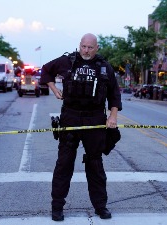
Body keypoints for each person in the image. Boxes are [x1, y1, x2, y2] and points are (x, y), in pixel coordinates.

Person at [40, 33, 122, 221]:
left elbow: (114, 94)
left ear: (96, 48)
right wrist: (54, 89)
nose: (86, 50)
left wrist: (113, 116)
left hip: (95, 119)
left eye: (90, 47)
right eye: (83, 46)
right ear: (80, 45)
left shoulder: (104, 67)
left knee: (95, 164)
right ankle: (57, 207)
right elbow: (45, 70)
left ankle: (100, 206)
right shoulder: (67, 61)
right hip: (70, 116)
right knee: (64, 163)